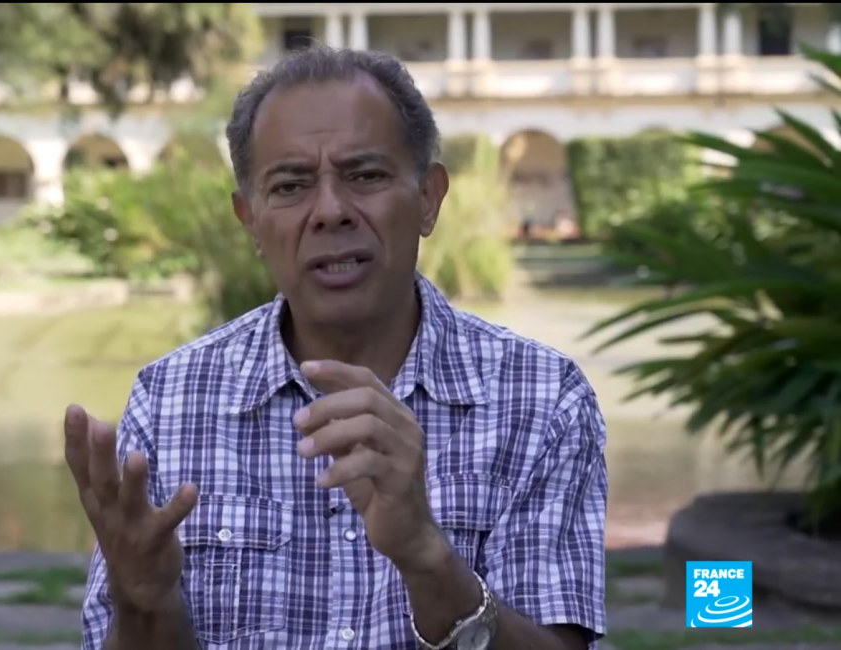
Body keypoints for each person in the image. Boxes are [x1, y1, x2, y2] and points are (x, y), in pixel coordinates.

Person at [67, 47, 607, 650]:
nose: (329, 211)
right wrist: (145, 605)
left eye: (365, 176)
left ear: (428, 197)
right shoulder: (169, 401)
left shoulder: (542, 400)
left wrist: (428, 558)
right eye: (290, 186)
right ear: (250, 220)